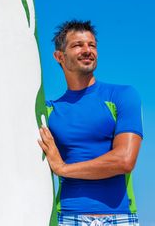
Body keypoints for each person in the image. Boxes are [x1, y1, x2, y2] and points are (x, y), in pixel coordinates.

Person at [38, 20, 143, 226]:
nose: (87, 50)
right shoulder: (49, 111)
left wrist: (63, 168)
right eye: (78, 45)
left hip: (120, 218)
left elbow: (124, 160)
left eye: (92, 45)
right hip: (67, 218)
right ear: (59, 56)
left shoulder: (122, 96)